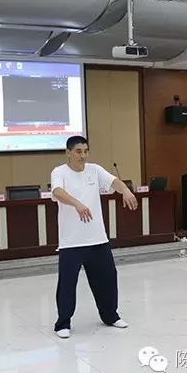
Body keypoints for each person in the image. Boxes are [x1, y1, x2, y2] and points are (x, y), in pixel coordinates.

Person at [50, 135, 138, 338]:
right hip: (71, 241)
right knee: (67, 284)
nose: (83, 155)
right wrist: (77, 203)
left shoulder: (94, 170)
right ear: (68, 153)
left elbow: (113, 181)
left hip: (97, 239)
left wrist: (125, 190)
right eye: (78, 151)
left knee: (108, 278)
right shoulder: (59, 172)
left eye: (85, 151)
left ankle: (110, 315)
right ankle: (63, 323)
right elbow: (57, 191)